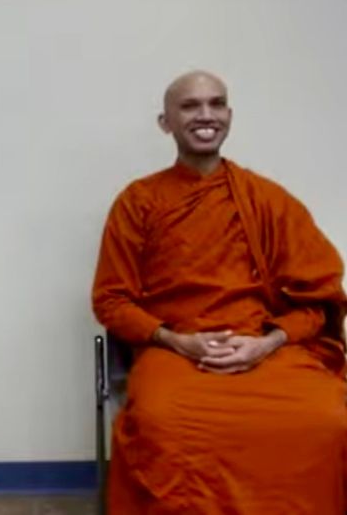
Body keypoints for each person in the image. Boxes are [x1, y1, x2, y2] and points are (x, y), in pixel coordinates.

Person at [92, 71, 347, 513]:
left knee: (326, 419)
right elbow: (111, 300)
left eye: (216, 104)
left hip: (264, 348)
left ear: (229, 115)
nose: (205, 115)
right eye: (190, 106)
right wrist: (176, 340)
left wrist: (267, 343)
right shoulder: (138, 202)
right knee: (161, 425)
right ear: (165, 122)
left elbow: (319, 299)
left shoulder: (267, 199)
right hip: (177, 353)